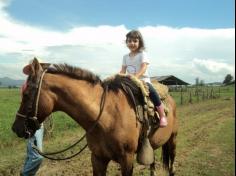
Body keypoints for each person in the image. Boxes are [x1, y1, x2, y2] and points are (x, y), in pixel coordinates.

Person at [120, 30, 167, 127]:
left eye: (135, 41)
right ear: (126, 42)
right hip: (130, 81)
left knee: (153, 92)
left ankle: (162, 116)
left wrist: (135, 77)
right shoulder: (125, 57)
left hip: (143, 80)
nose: (132, 43)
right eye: (129, 41)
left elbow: (144, 67)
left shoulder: (142, 54)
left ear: (139, 42)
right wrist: (118, 77)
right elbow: (123, 70)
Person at [20, 64, 44, 176]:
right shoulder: (29, 85)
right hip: (31, 123)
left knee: (31, 154)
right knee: (37, 157)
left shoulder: (39, 83)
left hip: (39, 122)